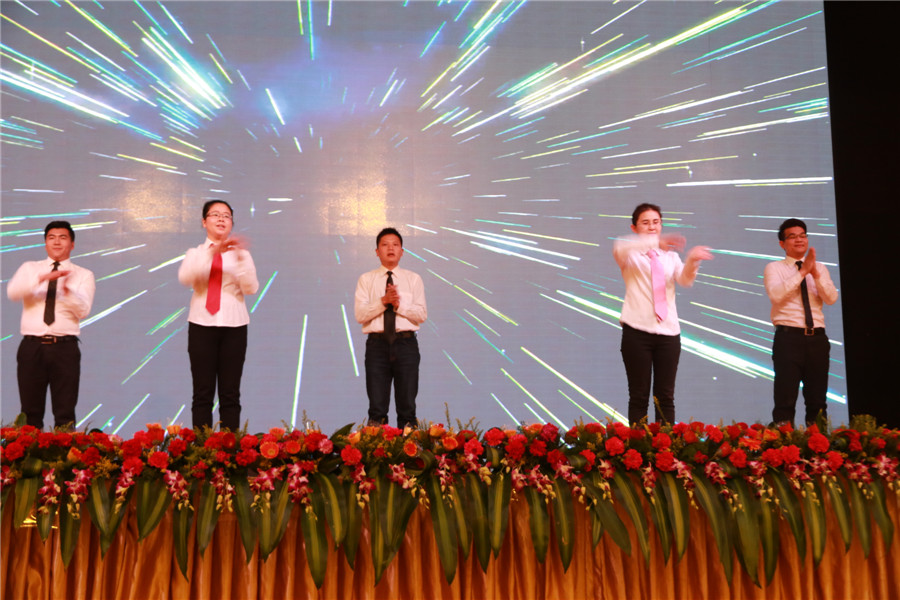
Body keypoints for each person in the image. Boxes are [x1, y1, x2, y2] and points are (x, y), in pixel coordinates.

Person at [613, 203, 712, 425]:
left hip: (668, 333)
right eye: (645, 223)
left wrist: (693, 260)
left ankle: (665, 444)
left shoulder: (670, 257)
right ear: (634, 228)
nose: (652, 227)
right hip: (637, 332)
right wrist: (656, 242)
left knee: (665, 397)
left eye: (656, 222)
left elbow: (685, 280)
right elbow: (620, 245)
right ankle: (638, 445)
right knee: (639, 396)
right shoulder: (629, 253)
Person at [178, 200, 258, 431]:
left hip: (235, 326)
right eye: (215, 214)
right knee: (202, 393)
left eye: (227, 215)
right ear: (204, 222)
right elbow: (187, 277)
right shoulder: (195, 253)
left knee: (230, 393)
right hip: (201, 325)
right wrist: (214, 253)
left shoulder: (242, 255)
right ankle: (202, 448)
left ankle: (228, 447)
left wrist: (240, 261)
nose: (221, 218)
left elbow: (251, 288)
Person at [7, 221, 95, 430]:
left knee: (65, 412)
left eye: (63, 237)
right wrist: (42, 279)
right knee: (30, 412)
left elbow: (83, 311)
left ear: (72, 244)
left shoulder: (84, 274)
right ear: (45, 243)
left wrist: (67, 291)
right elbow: (13, 292)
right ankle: (29, 451)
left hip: (65, 347)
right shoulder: (30, 268)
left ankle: (63, 451)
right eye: (51, 237)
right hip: (32, 347)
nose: (57, 242)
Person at [764, 218, 838, 426]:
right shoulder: (774, 268)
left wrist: (815, 274)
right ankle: (783, 443)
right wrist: (802, 272)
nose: (799, 240)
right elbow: (777, 295)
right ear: (782, 243)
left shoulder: (820, 268)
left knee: (818, 401)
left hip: (817, 339)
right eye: (792, 236)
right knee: (785, 399)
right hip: (788, 339)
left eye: (803, 235)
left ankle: (818, 443)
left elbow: (831, 298)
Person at [354, 227, 427, 429]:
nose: (390, 248)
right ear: (377, 251)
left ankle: (409, 447)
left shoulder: (413, 279)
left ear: (402, 251)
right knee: (377, 410)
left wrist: (398, 305)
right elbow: (360, 315)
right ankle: (377, 448)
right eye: (385, 245)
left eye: (395, 244)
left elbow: (421, 314)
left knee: (407, 409)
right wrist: (383, 301)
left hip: (406, 345)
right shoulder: (366, 279)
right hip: (377, 346)